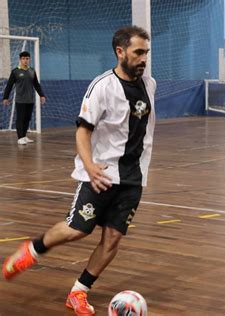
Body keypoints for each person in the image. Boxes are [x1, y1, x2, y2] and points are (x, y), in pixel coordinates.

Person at [2, 25, 156, 316]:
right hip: (100, 175)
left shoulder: (150, 84)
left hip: (134, 178)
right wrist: (89, 166)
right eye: (138, 52)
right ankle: (32, 250)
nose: (143, 58)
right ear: (120, 52)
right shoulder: (102, 87)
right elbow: (83, 132)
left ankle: (78, 292)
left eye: (145, 52)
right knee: (77, 230)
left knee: (112, 239)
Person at [2, 51, 46, 145]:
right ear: (20, 59)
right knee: (20, 118)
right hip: (20, 100)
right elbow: (9, 85)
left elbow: (36, 85)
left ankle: (24, 136)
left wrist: (42, 95)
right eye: (23, 58)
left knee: (27, 118)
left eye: (27, 58)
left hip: (30, 99)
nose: (25, 60)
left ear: (29, 59)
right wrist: (5, 97)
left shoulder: (32, 71)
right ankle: (20, 138)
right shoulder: (15, 71)